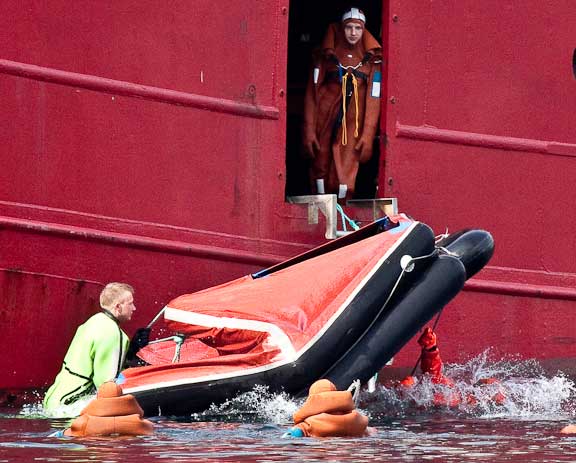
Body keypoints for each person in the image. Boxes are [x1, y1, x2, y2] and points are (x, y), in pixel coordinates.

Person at [302, 7, 382, 200]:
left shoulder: (373, 61)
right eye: (349, 28)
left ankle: (343, 204)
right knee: (320, 161)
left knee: (346, 165)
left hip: (353, 124)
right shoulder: (326, 56)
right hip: (325, 117)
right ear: (341, 28)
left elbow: (374, 97)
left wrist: (368, 135)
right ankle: (318, 199)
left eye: (358, 28)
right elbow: (312, 93)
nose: (353, 33)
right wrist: (309, 129)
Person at [43, 282, 149, 412]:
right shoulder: (113, 333)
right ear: (118, 307)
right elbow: (106, 386)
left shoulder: (93, 322)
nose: (134, 308)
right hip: (73, 406)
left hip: (53, 399)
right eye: (130, 303)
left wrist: (131, 351)